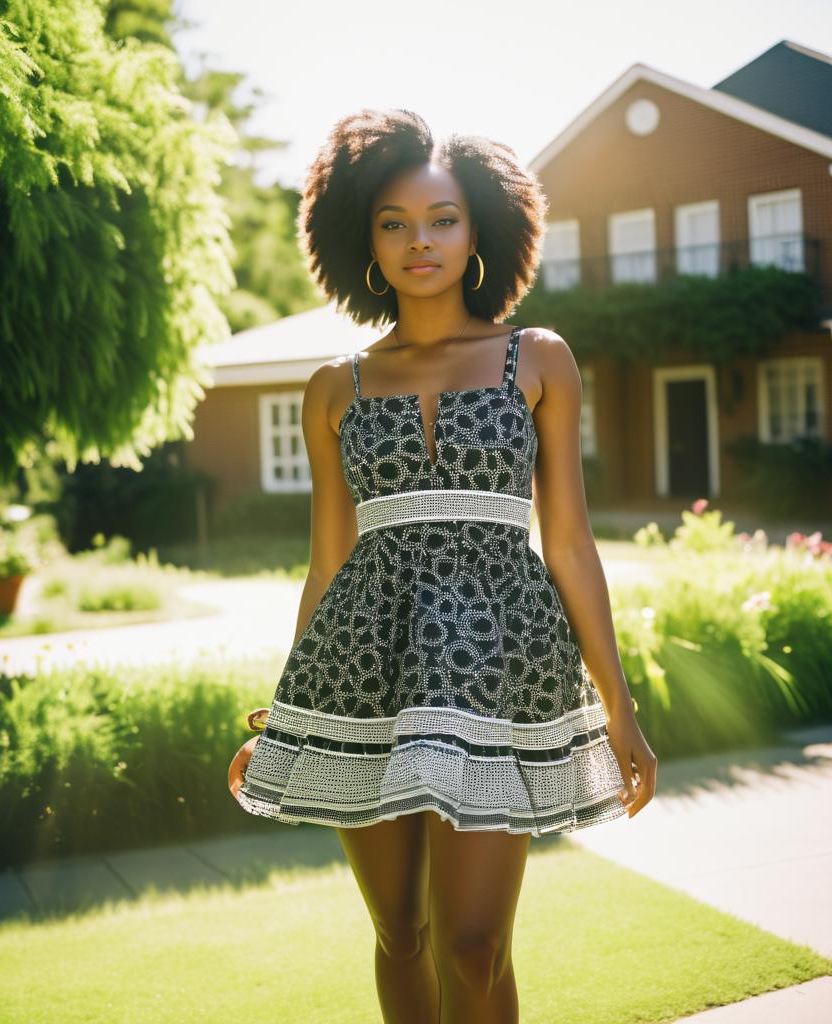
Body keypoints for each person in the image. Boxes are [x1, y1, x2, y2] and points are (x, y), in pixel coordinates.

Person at [230, 108, 657, 1024]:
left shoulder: (536, 358)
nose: (418, 241)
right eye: (394, 223)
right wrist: (293, 709)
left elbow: (570, 541)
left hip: (501, 671)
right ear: (364, 242)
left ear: (480, 234)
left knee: (472, 943)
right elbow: (328, 561)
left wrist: (617, 705)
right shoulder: (332, 388)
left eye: (442, 219)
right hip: (359, 672)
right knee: (401, 937)